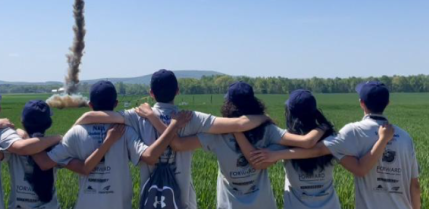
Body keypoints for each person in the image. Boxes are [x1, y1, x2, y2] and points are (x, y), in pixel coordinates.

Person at [74, 70, 271, 209]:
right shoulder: (191, 117)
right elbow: (238, 124)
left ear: (151, 93)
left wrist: (81, 119)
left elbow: (103, 116)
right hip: (183, 200)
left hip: (151, 199)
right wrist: (264, 117)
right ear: (177, 91)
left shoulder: (137, 116)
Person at [134, 82, 329, 209]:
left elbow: (176, 144)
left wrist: (153, 117)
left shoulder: (217, 135)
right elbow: (306, 143)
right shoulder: (267, 130)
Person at [251, 81, 420, 209]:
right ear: (388, 103)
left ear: (361, 102)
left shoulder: (352, 132)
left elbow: (316, 151)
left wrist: (277, 154)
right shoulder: (405, 138)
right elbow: (415, 185)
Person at [32, 80, 192, 209]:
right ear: (115, 103)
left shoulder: (76, 132)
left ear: (90, 105)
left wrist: (27, 138)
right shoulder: (125, 131)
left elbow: (45, 163)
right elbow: (150, 157)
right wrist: (172, 127)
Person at [0, 99, 127, 209]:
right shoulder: (56, 147)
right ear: (48, 123)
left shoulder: (13, 145)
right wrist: (107, 142)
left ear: (22, 121)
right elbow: (84, 168)